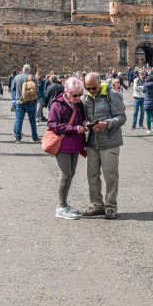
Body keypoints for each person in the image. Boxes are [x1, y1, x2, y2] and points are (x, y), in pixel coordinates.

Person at [81, 72, 126, 220]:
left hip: (110, 142)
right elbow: (83, 119)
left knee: (110, 176)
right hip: (93, 142)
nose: (91, 91)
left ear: (99, 83)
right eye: (88, 88)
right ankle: (97, 205)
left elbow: (121, 117)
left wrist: (106, 124)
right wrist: (85, 124)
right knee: (92, 175)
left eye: (93, 88)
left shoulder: (112, 94)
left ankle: (111, 207)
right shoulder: (86, 97)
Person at [47, 77, 87, 219]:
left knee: (71, 174)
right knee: (65, 175)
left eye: (80, 94)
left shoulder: (79, 104)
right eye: (74, 95)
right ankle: (61, 206)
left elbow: (82, 119)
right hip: (62, 144)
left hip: (76, 144)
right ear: (66, 92)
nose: (77, 97)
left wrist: (85, 124)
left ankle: (64, 204)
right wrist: (73, 128)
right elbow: (52, 124)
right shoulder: (57, 104)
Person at [11, 64, 40, 143]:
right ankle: (34, 137)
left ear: (22, 69)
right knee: (32, 120)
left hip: (19, 101)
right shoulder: (32, 77)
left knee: (19, 120)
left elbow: (13, 88)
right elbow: (37, 90)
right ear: (29, 70)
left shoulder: (17, 77)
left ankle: (18, 138)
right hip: (30, 102)